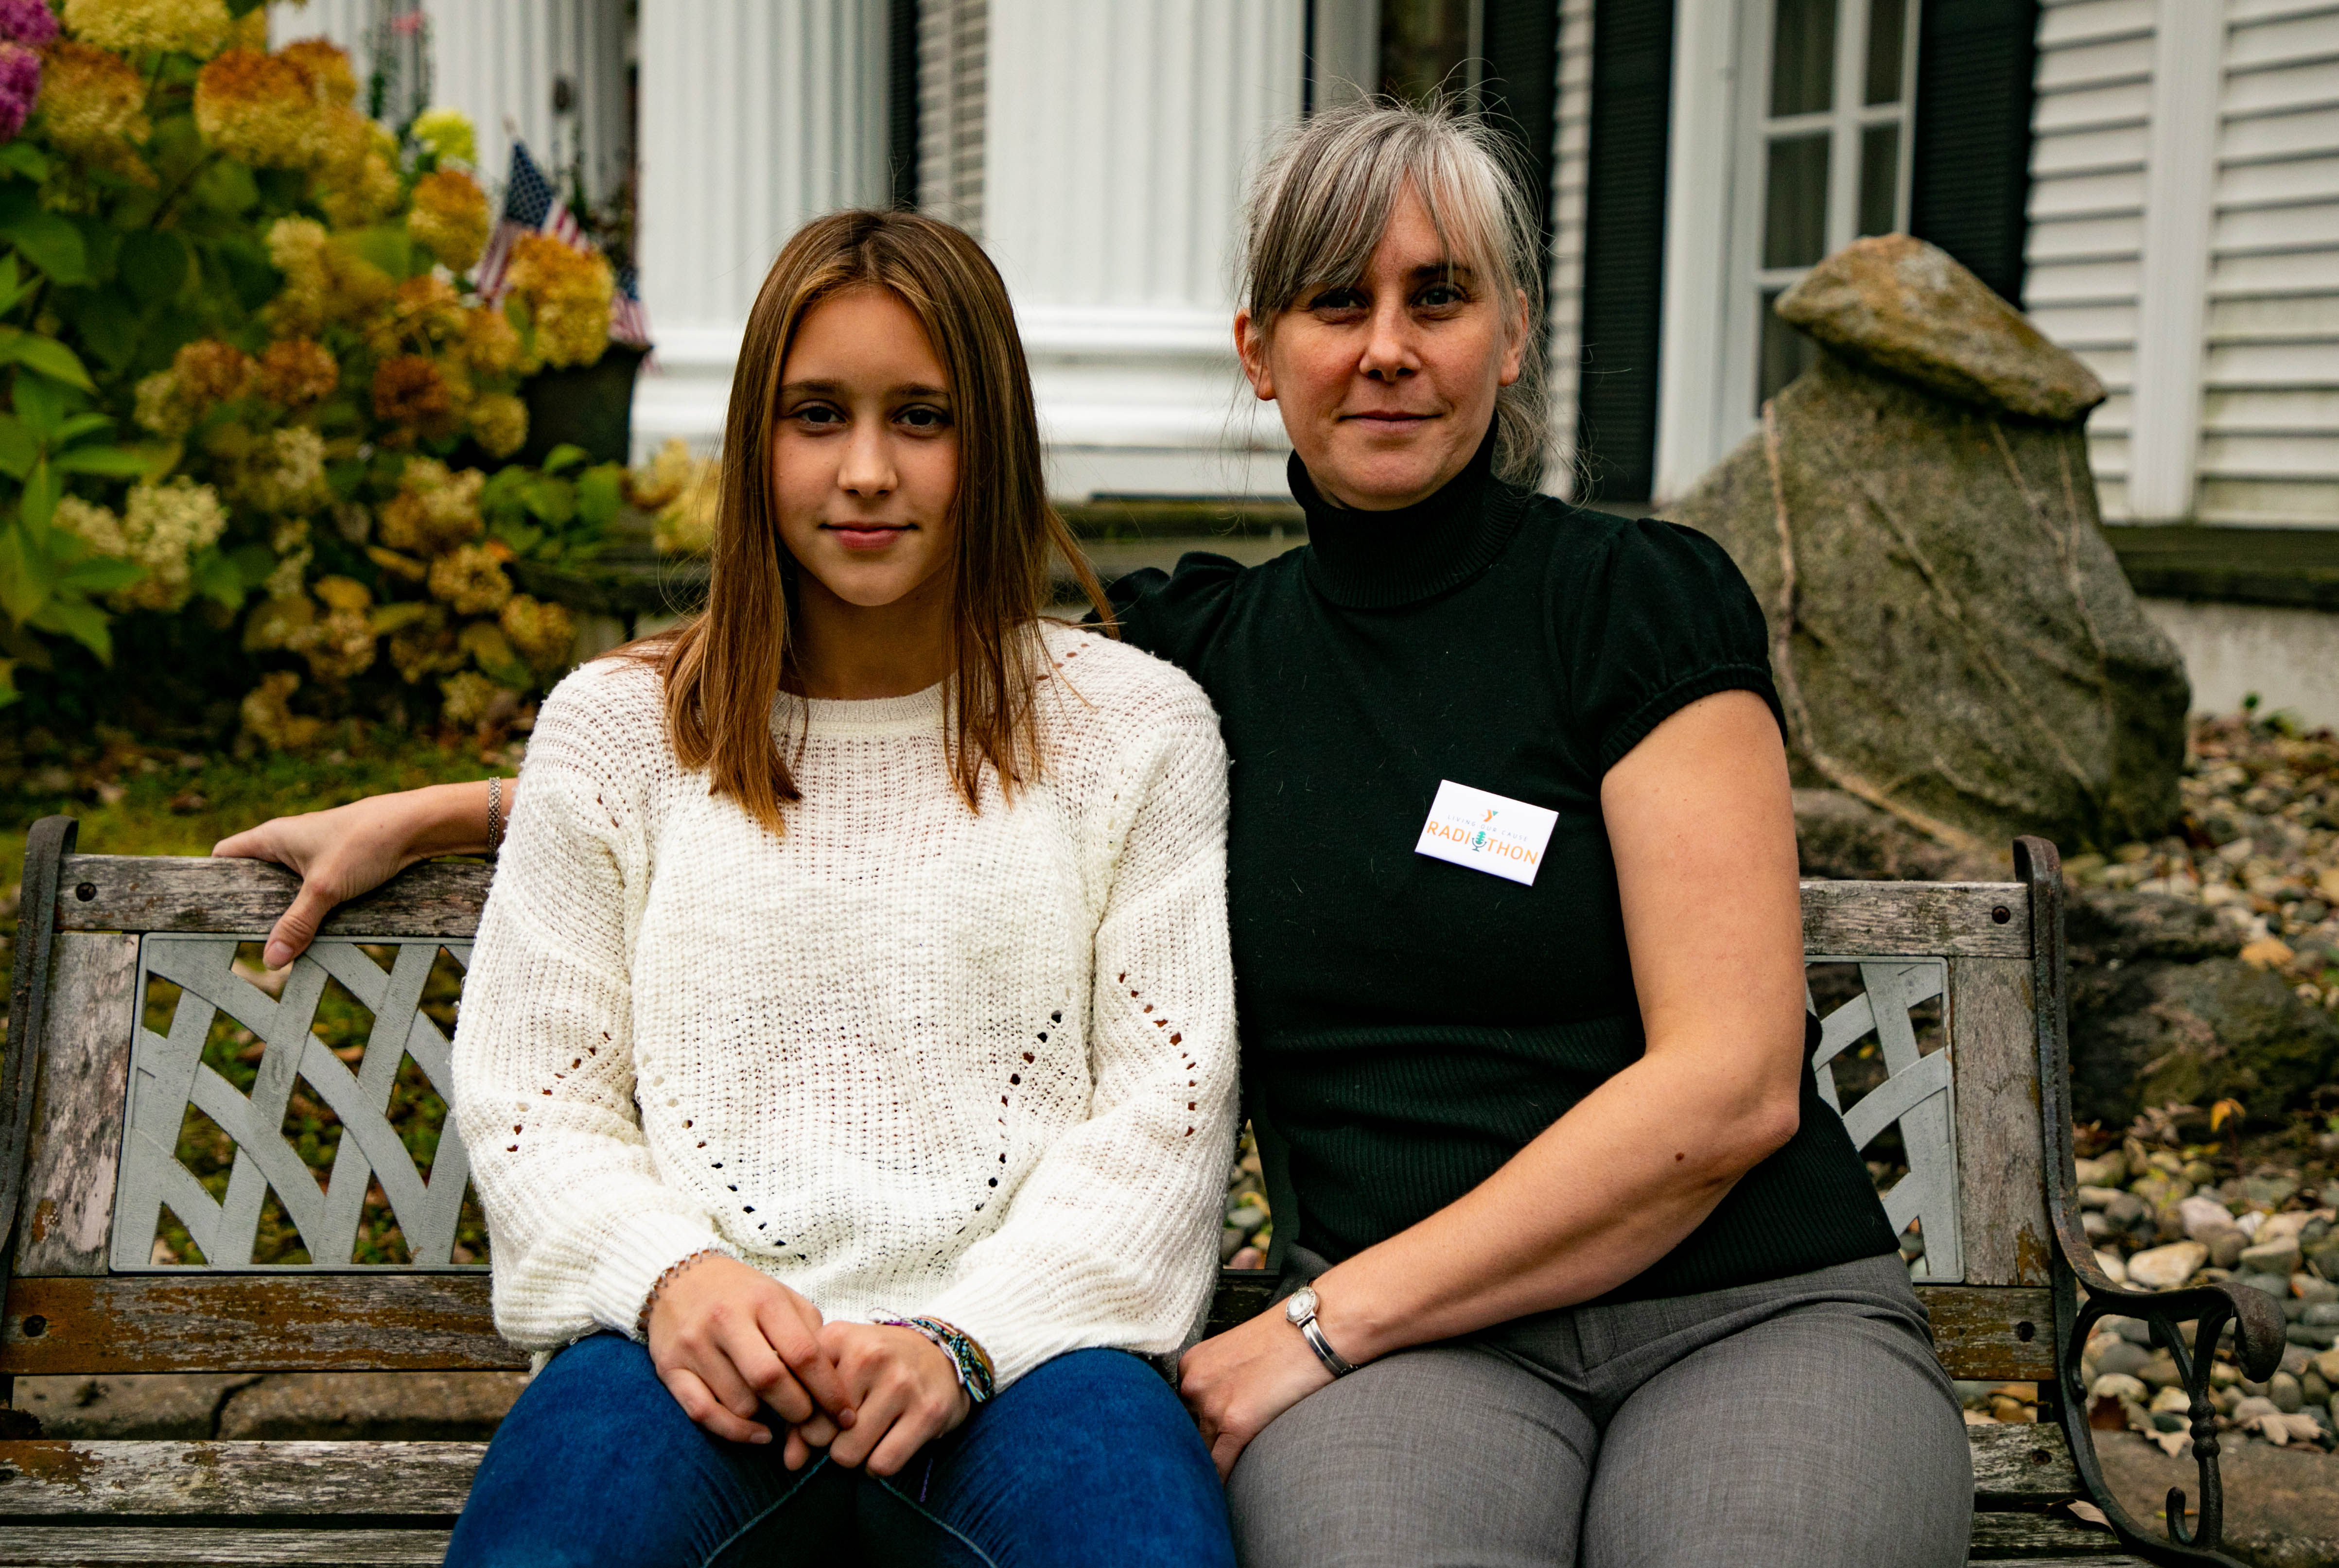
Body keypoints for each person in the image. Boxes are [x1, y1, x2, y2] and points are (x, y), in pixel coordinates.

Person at [223, 103, 1972, 1568]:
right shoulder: (1207, 656)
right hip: (1399, 1359)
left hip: (1697, 1308)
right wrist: (475, 808)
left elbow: (1727, 1084)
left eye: (1436, 297)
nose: (1382, 345)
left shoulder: (1603, 608)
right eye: (1329, 300)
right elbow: (854, 755)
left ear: (1510, 332)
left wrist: (1285, 1327)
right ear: (1256, 351)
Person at [304, 209, 1244, 1567]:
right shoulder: (617, 731)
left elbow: (1163, 1110)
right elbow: (534, 1097)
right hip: (680, 1358)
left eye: (920, 416)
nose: (866, 470)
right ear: (758, 439)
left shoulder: (1133, 731)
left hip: (1030, 1361)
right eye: (818, 415)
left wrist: (960, 1339)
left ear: (992, 438)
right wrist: (672, 1278)